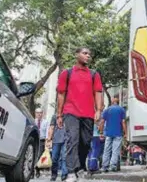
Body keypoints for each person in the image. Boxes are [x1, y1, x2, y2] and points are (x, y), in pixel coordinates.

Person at [56, 47, 103, 182]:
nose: (88, 56)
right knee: (72, 140)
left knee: (86, 142)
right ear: (77, 55)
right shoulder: (67, 73)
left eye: (89, 54)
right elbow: (61, 94)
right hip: (70, 112)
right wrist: (59, 115)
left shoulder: (94, 74)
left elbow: (98, 92)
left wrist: (98, 110)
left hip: (88, 113)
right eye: (84, 53)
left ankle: (80, 168)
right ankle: (71, 172)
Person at [99, 96, 126, 172]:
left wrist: (101, 132)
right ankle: (113, 166)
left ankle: (105, 166)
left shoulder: (107, 110)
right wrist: (125, 132)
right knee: (115, 150)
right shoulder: (121, 110)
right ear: (118, 102)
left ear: (112, 102)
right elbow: (123, 122)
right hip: (118, 133)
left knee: (106, 150)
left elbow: (102, 122)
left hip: (108, 133)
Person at [46, 114, 67, 181]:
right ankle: (54, 174)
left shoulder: (68, 115)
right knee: (54, 158)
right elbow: (51, 127)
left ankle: (64, 174)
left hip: (66, 139)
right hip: (56, 140)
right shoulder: (55, 116)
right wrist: (49, 138)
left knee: (64, 157)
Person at [34, 108, 49, 178]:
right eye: (37, 113)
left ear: (42, 114)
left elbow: (47, 132)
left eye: (40, 113)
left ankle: (37, 170)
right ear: (35, 114)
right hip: (35, 140)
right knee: (34, 155)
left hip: (42, 140)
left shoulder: (46, 122)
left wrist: (47, 141)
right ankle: (33, 170)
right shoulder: (33, 121)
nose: (39, 114)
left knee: (39, 155)